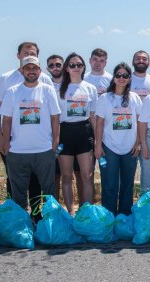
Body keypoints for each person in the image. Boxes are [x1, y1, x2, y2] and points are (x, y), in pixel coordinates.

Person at [0, 42, 53, 221]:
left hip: (39, 142)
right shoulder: (6, 78)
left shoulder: (45, 79)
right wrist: (0, 136)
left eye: (32, 53)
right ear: (18, 56)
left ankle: (35, 216)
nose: (28, 55)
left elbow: (53, 113)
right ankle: (16, 217)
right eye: (25, 53)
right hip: (12, 140)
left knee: (36, 181)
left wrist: (53, 139)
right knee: (13, 179)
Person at [94, 62, 142, 216]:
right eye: (118, 75)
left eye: (125, 76)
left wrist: (138, 142)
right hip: (109, 147)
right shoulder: (104, 98)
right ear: (113, 77)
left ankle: (124, 217)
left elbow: (140, 121)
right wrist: (98, 145)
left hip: (130, 147)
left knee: (127, 185)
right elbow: (99, 123)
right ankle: (109, 217)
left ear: (129, 79)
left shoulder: (134, 98)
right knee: (109, 184)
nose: (121, 78)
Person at [57, 53, 98, 215]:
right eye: (72, 65)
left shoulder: (90, 88)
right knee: (66, 177)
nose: (76, 68)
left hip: (84, 131)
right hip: (65, 132)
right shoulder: (58, 89)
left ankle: (86, 212)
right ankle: (70, 213)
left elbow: (93, 116)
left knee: (87, 176)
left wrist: (97, 141)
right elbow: (54, 118)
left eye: (79, 65)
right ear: (66, 68)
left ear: (83, 67)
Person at [46, 54, 64, 201]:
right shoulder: (44, 85)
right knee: (54, 174)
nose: (55, 67)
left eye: (58, 64)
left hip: (69, 130)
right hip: (50, 132)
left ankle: (79, 210)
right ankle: (54, 206)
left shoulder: (71, 83)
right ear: (47, 69)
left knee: (75, 173)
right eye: (51, 65)